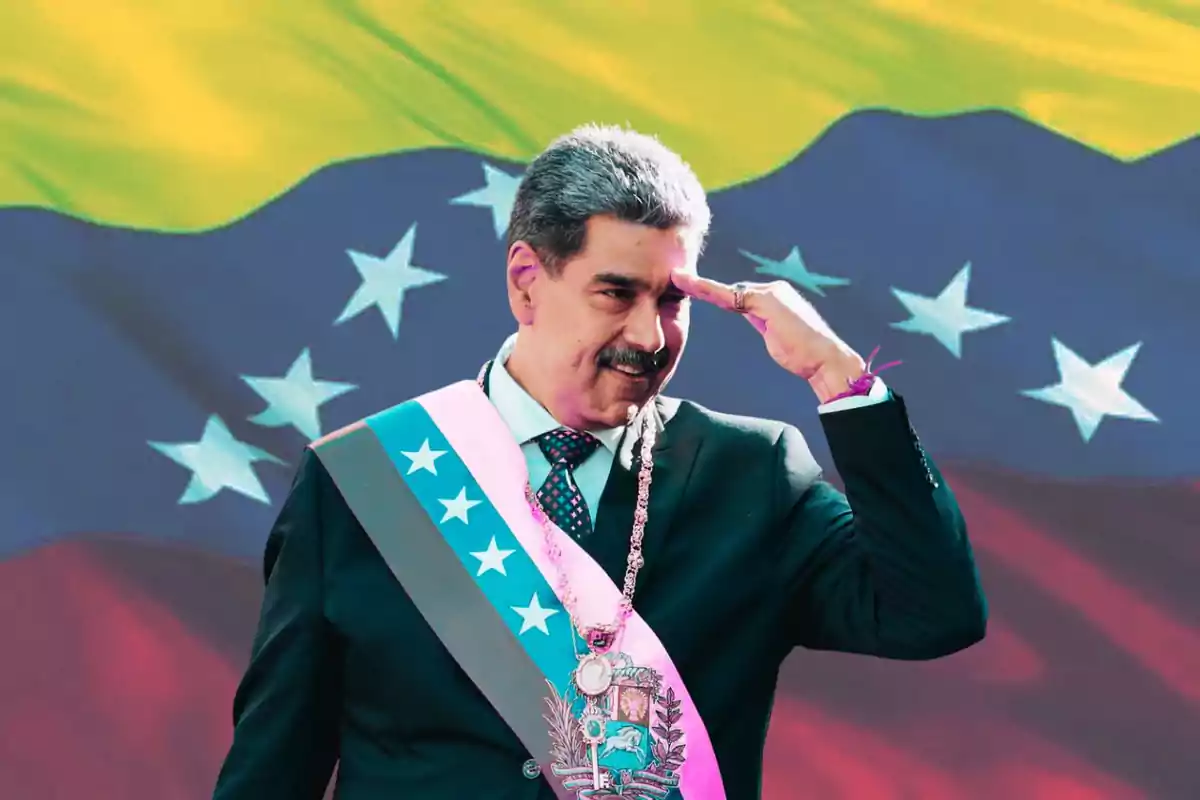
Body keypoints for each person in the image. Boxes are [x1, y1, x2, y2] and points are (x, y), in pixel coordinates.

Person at [212, 124, 987, 800]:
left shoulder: (752, 474)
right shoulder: (363, 482)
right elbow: (276, 764)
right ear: (527, 282)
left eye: (672, 301)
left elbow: (933, 614)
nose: (650, 336)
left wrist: (842, 384)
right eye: (616, 294)